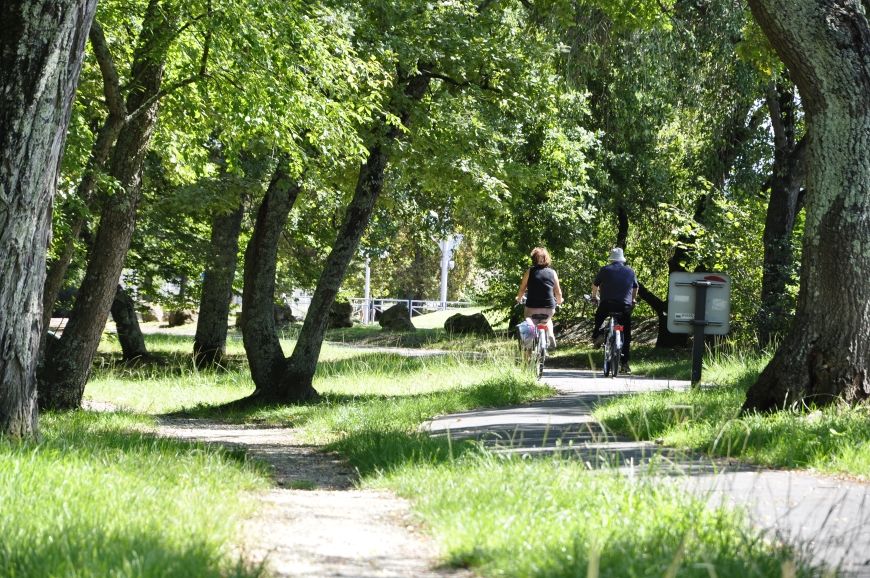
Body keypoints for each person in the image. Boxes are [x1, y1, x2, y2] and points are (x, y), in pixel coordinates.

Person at [591, 247, 638, 373]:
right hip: (624, 306)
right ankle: (625, 363)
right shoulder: (630, 271)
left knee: (599, 316)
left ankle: (598, 335)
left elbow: (595, 285)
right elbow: (635, 288)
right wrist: (633, 300)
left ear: (611, 259)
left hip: (607, 304)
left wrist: (594, 297)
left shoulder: (605, 269)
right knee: (626, 333)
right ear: (622, 260)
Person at [516, 247, 564, 347]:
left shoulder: (530, 271)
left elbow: (522, 289)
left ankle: (531, 336)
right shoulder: (552, 272)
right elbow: (558, 291)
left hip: (532, 308)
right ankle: (550, 334)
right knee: (548, 320)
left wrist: (519, 298)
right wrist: (559, 301)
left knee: (528, 318)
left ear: (533, 259)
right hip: (548, 308)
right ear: (547, 259)